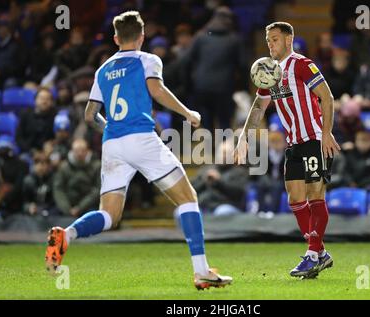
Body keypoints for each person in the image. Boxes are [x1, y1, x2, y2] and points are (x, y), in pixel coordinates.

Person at [45, 11, 232, 290]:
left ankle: (68, 234)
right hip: (142, 138)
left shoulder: (103, 69)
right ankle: (202, 270)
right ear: (142, 36)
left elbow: (89, 115)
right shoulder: (148, 60)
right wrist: (187, 112)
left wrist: (110, 128)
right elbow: (156, 90)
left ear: (116, 37)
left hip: (112, 143)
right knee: (188, 198)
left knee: (109, 216)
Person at [235, 22, 341, 279]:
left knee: (316, 195)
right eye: (268, 40)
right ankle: (320, 253)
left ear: (289, 39)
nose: (270, 44)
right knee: (295, 199)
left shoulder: (302, 65)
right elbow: (259, 107)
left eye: (274, 39)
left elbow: (327, 97)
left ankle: (312, 255)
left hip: (314, 138)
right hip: (293, 142)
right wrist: (244, 137)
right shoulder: (269, 72)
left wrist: (326, 134)